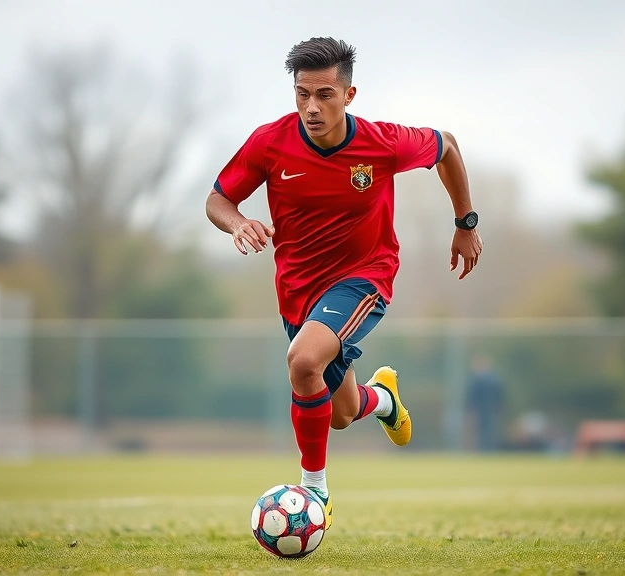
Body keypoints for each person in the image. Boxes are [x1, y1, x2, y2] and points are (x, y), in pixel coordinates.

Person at [206, 37, 482, 531]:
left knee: (303, 361)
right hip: (297, 291)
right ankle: (384, 399)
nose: (312, 107)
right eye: (302, 94)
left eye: (325, 95)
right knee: (341, 411)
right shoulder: (270, 143)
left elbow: (448, 146)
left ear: (349, 95)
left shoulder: (383, 143)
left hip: (364, 276)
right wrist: (237, 223)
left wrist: (465, 223)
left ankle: (314, 492)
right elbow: (217, 200)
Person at [465, 354, 504, 452]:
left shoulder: (478, 380)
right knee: (485, 432)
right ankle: (485, 450)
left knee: (485, 432)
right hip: (486, 410)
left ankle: (485, 450)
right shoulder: (494, 379)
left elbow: (471, 397)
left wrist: (471, 410)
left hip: (484, 410)